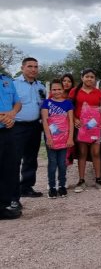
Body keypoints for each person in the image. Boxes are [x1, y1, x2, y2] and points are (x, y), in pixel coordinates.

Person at [13, 57, 46, 205]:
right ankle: (12, 194)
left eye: (36, 67)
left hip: (35, 126)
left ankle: (26, 187)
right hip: (17, 127)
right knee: (13, 161)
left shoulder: (41, 86)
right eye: (30, 66)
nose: (33, 69)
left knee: (31, 159)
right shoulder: (14, 85)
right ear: (22, 68)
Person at [69, 68, 101, 193]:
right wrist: (74, 119)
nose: (89, 79)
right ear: (82, 77)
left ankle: (98, 179)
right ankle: (81, 180)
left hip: (95, 128)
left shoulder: (98, 92)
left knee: (96, 153)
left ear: (94, 79)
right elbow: (69, 108)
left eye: (92, 77)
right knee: (82, 153)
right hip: (81, 127)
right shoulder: (75, 91)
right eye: (87, 76)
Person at [41, 79, 74, 198]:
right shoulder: (46, 103)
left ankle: (62, 186)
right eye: (54, 89)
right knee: (52, 163)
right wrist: (48, 137)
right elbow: (45, 121)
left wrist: (70, 138)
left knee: (62, 163)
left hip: (64, 138)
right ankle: (52, 187)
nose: (56, 91)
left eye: (59, 89)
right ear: (51, 90)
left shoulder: (68, 103)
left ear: (63, 89)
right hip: (51, 138)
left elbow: (70, 121)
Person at [0, 73, 22, 219]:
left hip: (8, 130)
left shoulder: (7, 80)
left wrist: (12, 113)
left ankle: (4, 204)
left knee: (10, 167)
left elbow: (18, 102)